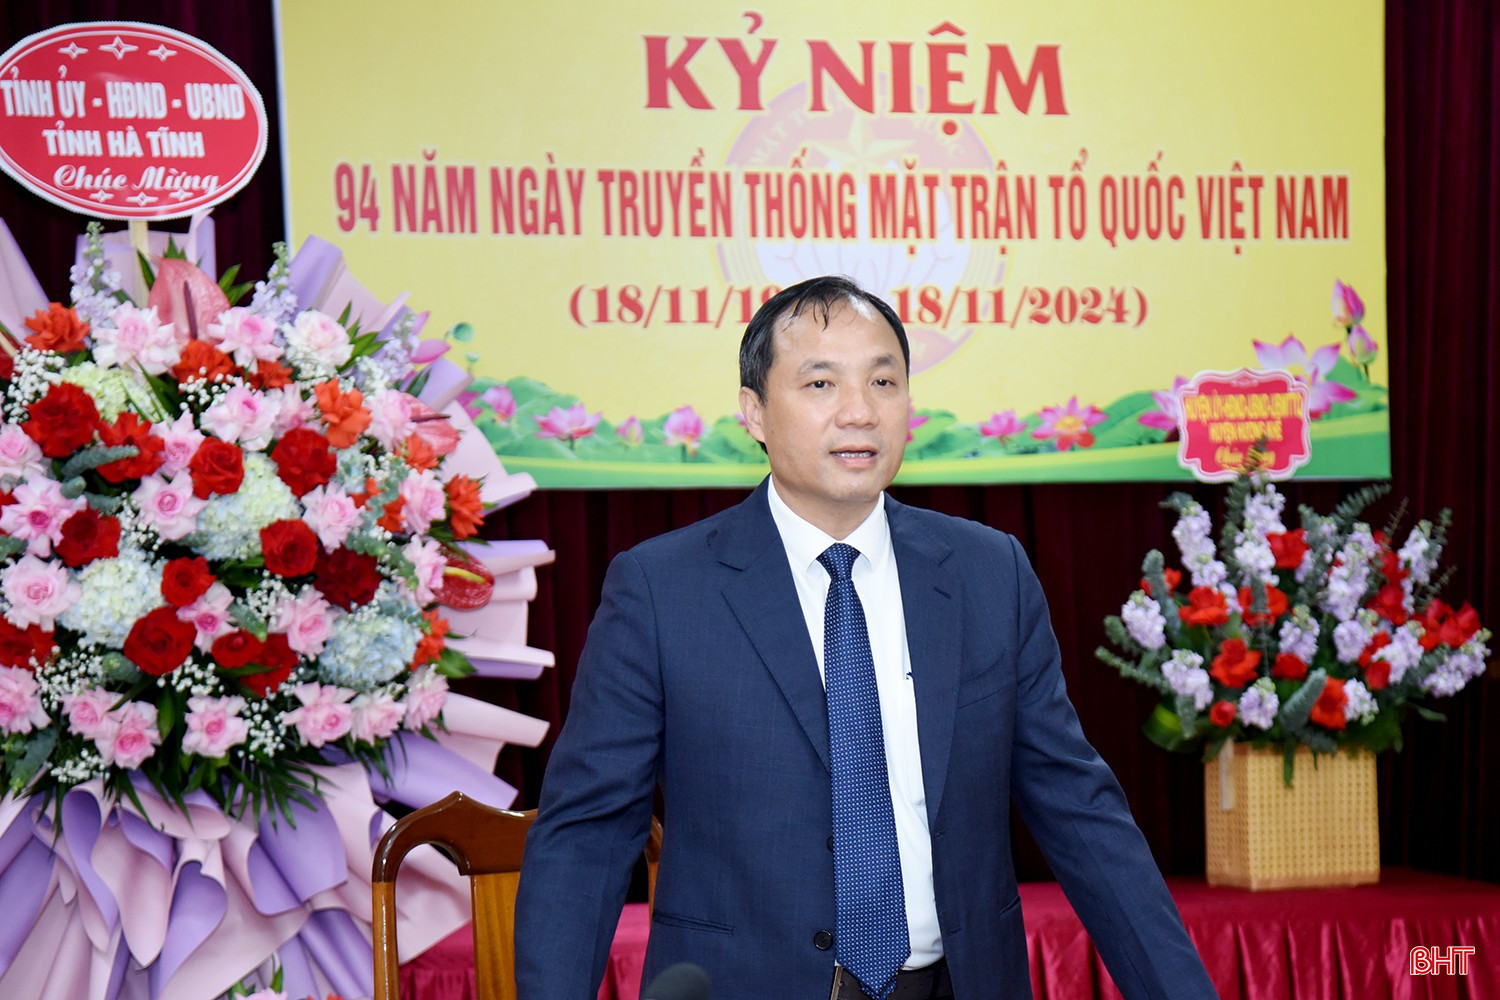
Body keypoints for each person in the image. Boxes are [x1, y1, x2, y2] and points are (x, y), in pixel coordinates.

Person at [515, 276, 1215, 1000]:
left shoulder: (987, 573)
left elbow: (1078, 807)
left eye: (884, 381)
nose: (859, 411)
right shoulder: (662, 590)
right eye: (821, 383)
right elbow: (587, 835)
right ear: (754, 412)